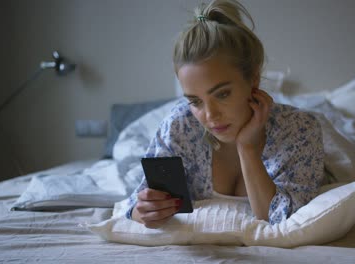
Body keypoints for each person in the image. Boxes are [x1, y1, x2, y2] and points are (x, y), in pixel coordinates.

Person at [126, 0, 324, 227]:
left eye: (222, 94)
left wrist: (247, 148)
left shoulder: (300, 129)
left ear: (253, 79)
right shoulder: (181, 126)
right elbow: (135, 203)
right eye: (195, 101)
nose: (210, 115)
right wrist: (143, 211)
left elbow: (282, 220)